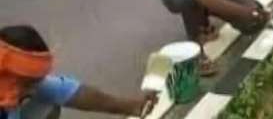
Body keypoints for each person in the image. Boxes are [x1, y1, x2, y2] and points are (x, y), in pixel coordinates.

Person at [0, 25, 157, 119]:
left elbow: (71, 93)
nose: (33, 88)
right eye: (27, 83)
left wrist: (132, 107)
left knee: (46, 105)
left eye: (35, 82)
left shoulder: (12, 83)